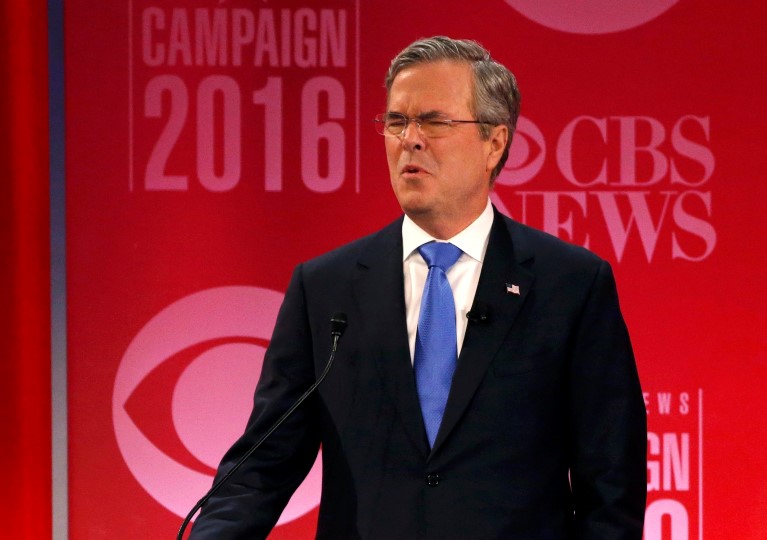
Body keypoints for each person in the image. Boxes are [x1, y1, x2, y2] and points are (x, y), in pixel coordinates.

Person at [189, 36, 646, 539]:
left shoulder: (571, 286)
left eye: (434, 121)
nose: (410, 138)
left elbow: (610, 491)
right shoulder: (325, 289)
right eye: (396, 122)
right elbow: (262, 464)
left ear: (494, 142)